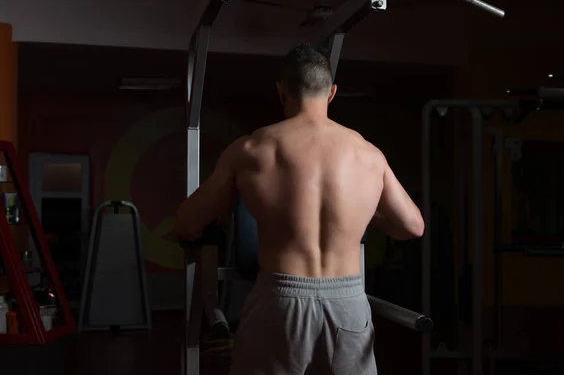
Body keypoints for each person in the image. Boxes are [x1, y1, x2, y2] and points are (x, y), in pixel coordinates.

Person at [174, 43, 424, 375]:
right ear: (332, 92)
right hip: (348, 302)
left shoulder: (251, 149)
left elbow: (187, 224)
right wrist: (359, 214)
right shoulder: (368, 154)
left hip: (280, 302)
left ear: (281, 90)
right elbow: (412, 226)